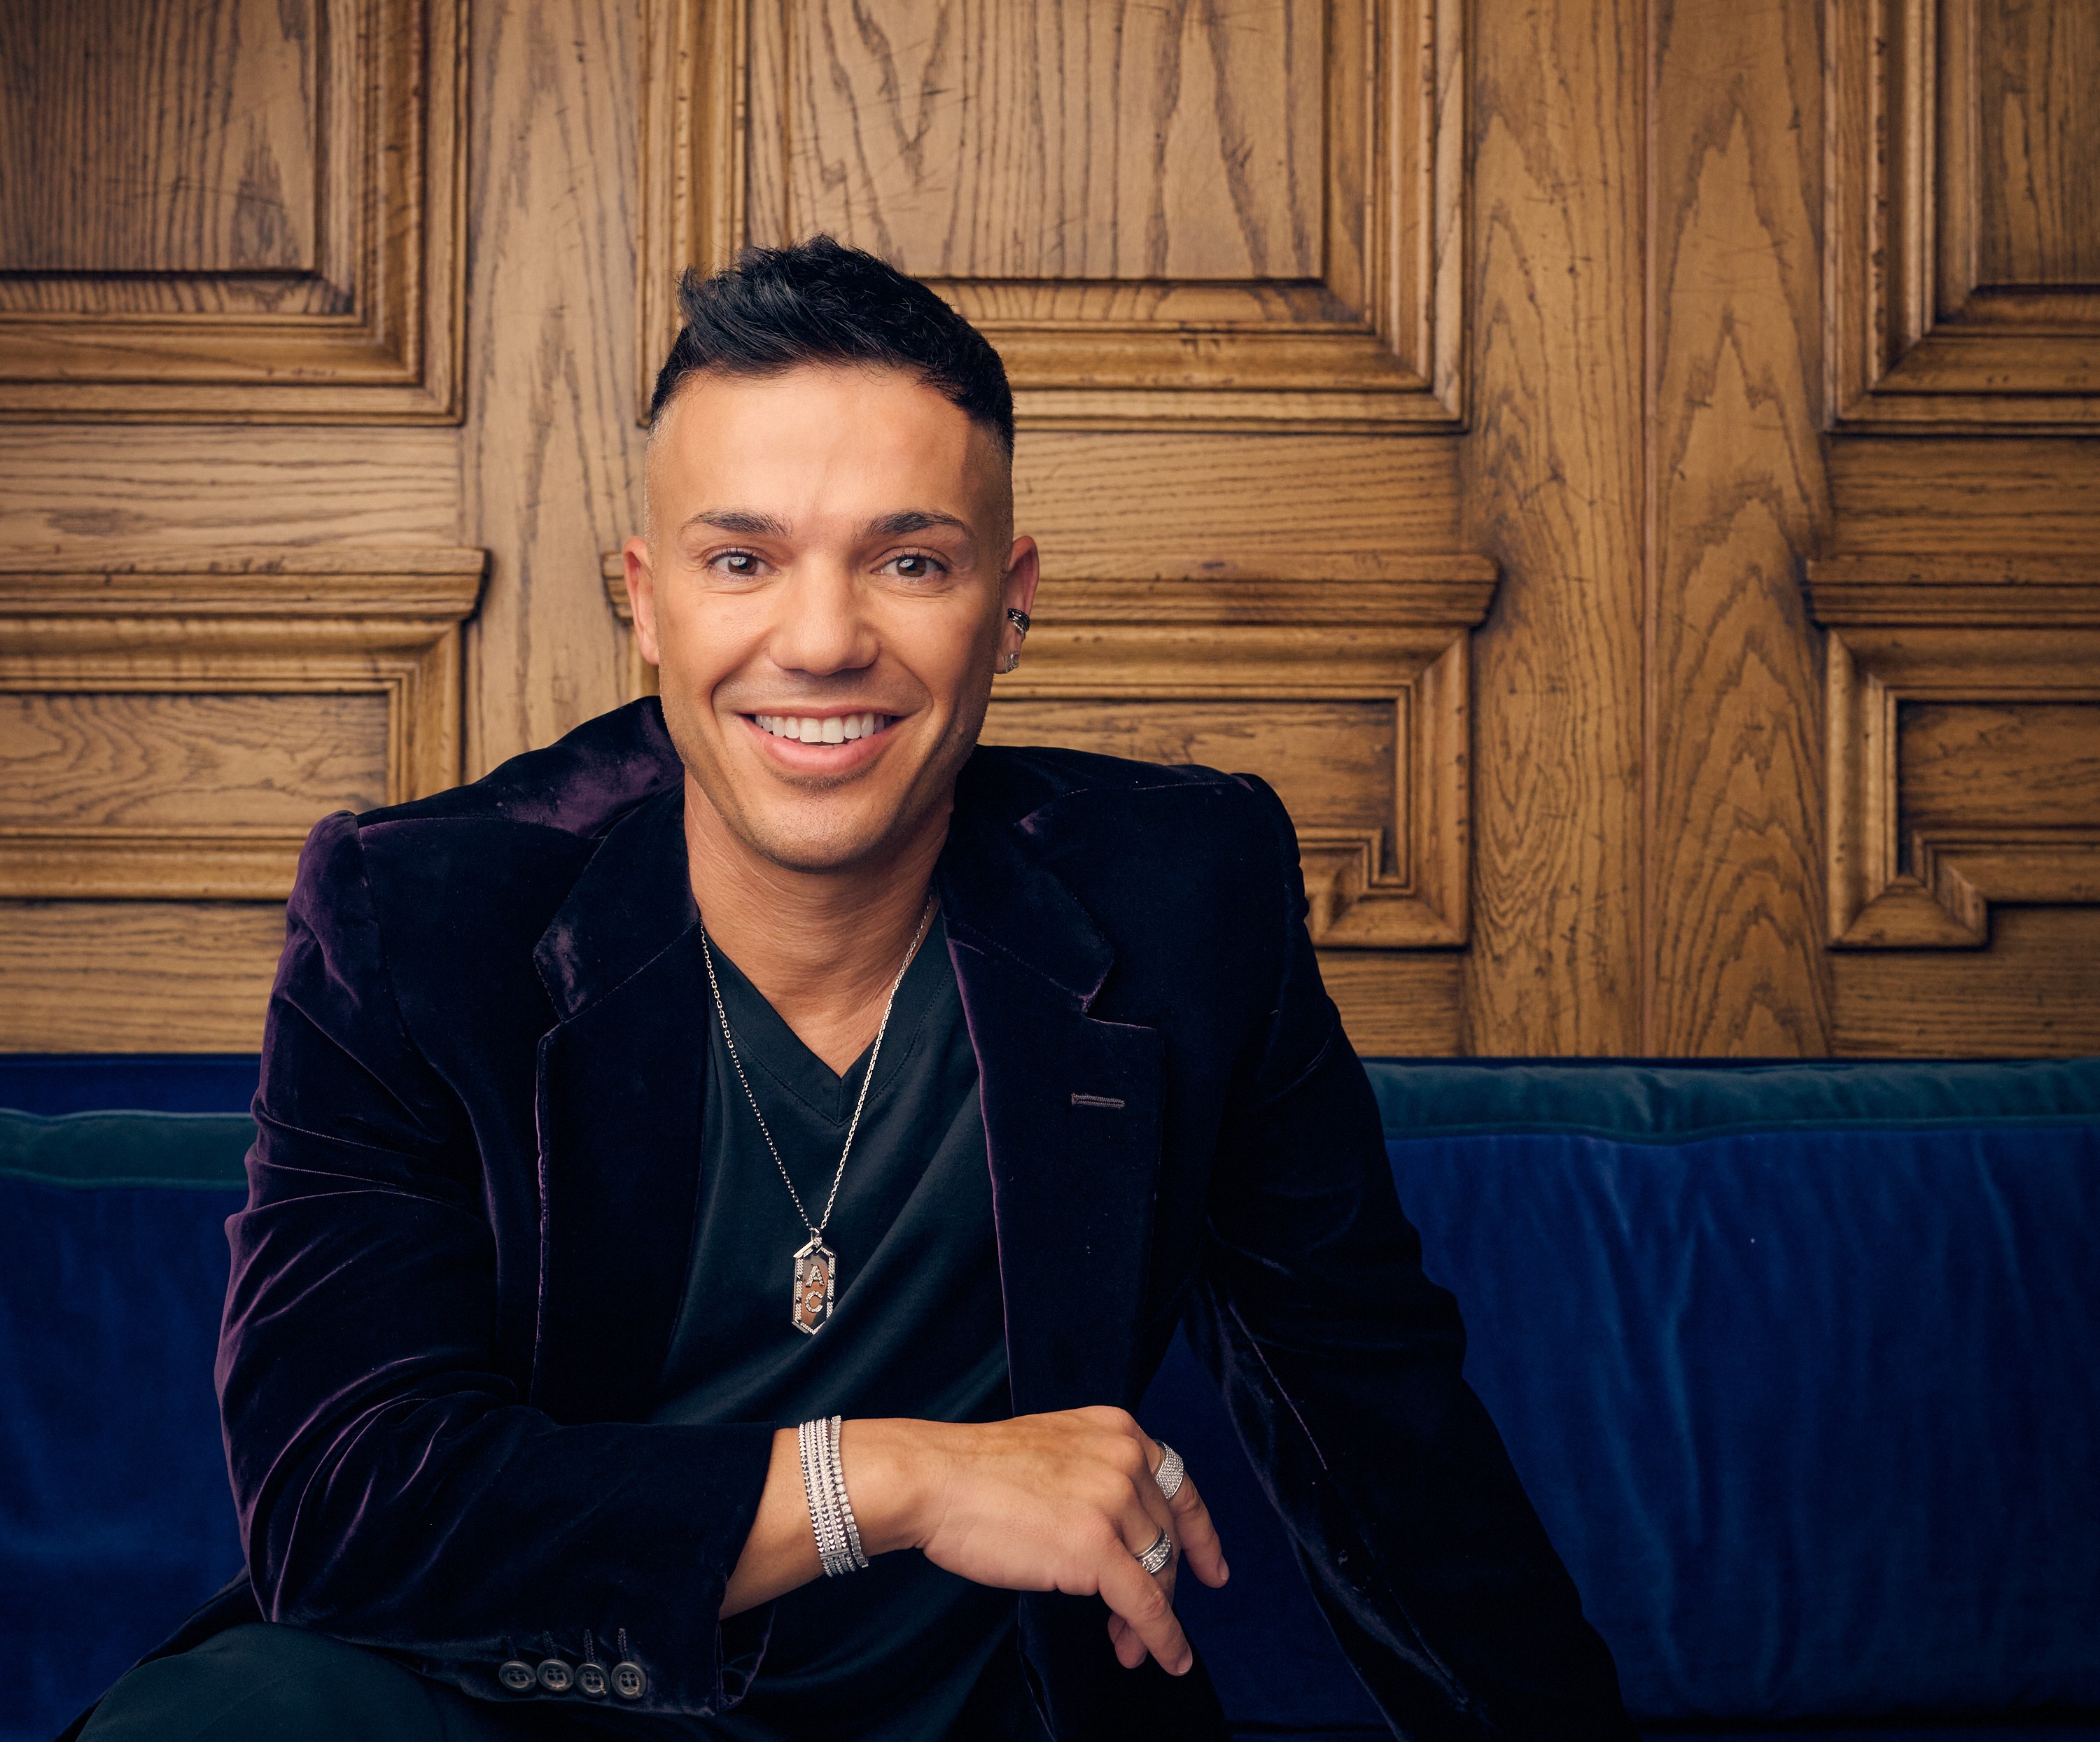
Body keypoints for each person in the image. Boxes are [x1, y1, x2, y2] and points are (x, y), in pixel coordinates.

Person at [74, 238, 1633, 1742]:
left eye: (909, 561)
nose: (821, 641)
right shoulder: (425, 918)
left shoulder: (1182, 899)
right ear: (646, 599)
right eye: (741, 560)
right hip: (513, 1703)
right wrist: (902, 1480)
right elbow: (344, 1509)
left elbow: (1381, 1433)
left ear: (1009, 600)